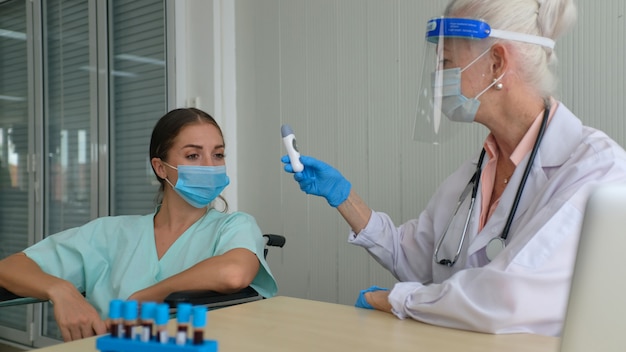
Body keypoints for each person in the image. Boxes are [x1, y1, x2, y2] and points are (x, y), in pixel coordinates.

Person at [281, 0, 626, 337]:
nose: (436, 77)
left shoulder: (595, 171)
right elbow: (417, 261)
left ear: (496, 63)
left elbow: (507, 299)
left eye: (446, 62)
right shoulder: (475, 173)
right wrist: (345, 198)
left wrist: (396, 299)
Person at [0, 108, 277, 341]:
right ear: (160, 168)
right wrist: (61, 290)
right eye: (193, 155)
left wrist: (149, 295)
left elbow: (233, 273)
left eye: (218, 155)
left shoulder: (234, 226)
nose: (209, 166)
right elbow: (10, 268)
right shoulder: (110, 233)